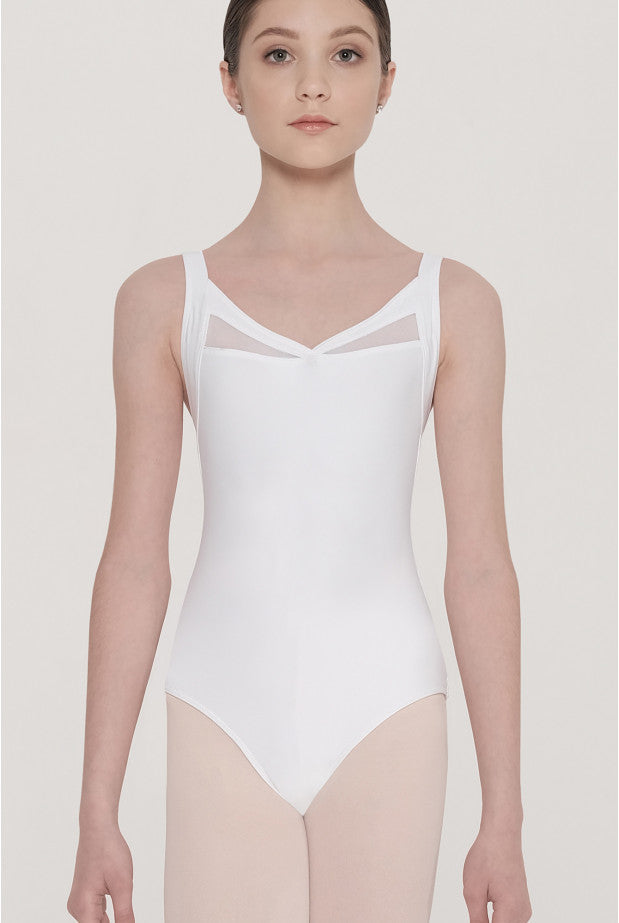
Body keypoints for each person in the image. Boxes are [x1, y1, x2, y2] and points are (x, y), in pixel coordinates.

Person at [67, 0, 533, 921]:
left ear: (385, 82)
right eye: (278, 54)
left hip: (388, 708)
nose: (313, 84)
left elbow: (480, 563)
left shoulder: (452, 304)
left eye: (346, 55)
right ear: (231, 82)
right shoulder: (165, 301)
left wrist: (504, 817)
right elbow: (133, 559)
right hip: (219, 707)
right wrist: (95, 809)